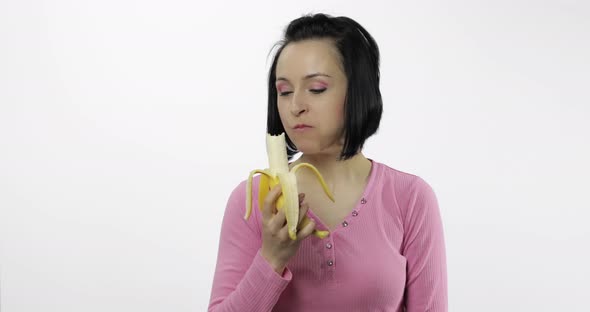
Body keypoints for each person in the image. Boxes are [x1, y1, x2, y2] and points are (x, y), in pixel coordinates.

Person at [208, 13, 447, 311]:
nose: (296, 106)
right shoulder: (253, 199)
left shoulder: (410, 198)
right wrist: (271, 259)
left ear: (359, 92)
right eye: (284, 91)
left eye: (317, 89)